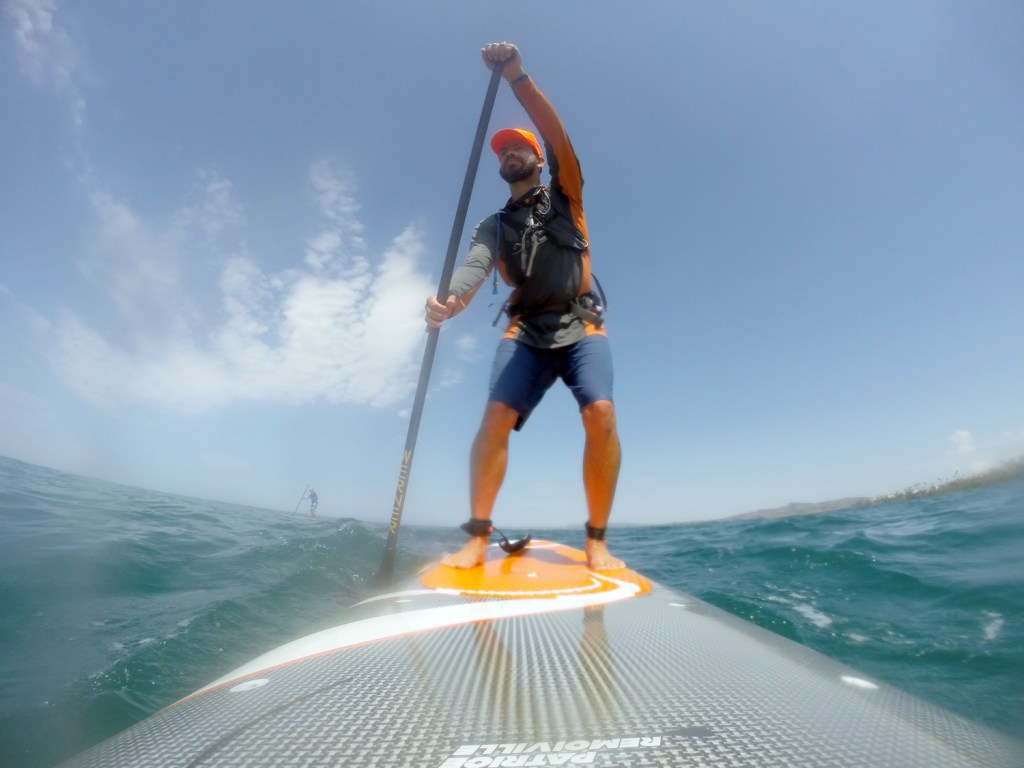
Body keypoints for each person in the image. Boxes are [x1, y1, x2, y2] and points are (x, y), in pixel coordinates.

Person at [425, 42, 624, 571]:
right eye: (503, 152)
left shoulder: (567, 192)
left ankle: (597, 539)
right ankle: (477, 534)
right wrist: (451, 301)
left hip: (581, 324)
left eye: (520, 149)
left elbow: (558, 135)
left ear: (537, 160)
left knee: (601, 413)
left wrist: (516, 78)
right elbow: (475, 265)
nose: (511, 155)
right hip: (525, 331)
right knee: (494, 416)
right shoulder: (493, 224)